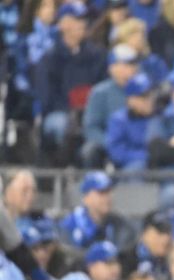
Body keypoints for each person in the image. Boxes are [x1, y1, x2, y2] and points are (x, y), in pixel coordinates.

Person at [36, 2, 107, 161]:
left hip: (90, 112)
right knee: (62, 124)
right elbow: (47, 98)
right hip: (60, 112)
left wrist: (87, 110)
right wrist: (71, 111)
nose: (83, 24)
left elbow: (102, 88)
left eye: (84, 19)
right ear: (63, 24)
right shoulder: (49, 59)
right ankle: (64, 169)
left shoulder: (97, 55)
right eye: (77, 19)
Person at [59, 172, 135, 250]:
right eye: (102, 192)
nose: (108, 197)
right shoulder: (71, 224)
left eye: (109, 192)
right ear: (86, 198)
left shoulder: (121, 225)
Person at [104, 72, 158, 170]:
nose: (149, 100)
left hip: (159, 166)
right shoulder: (119, 120)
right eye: (144, 97)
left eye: (151, 95)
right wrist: (147, 156)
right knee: (138, 166)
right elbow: (117, 152)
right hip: (131, 167)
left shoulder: (160, 116)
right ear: (131, 100)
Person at [119, 210, 173, 280]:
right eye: (160, 232)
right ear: (145, 233)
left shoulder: (172, 261)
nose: (165, 239)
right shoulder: (124, 261)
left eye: (168, 232)